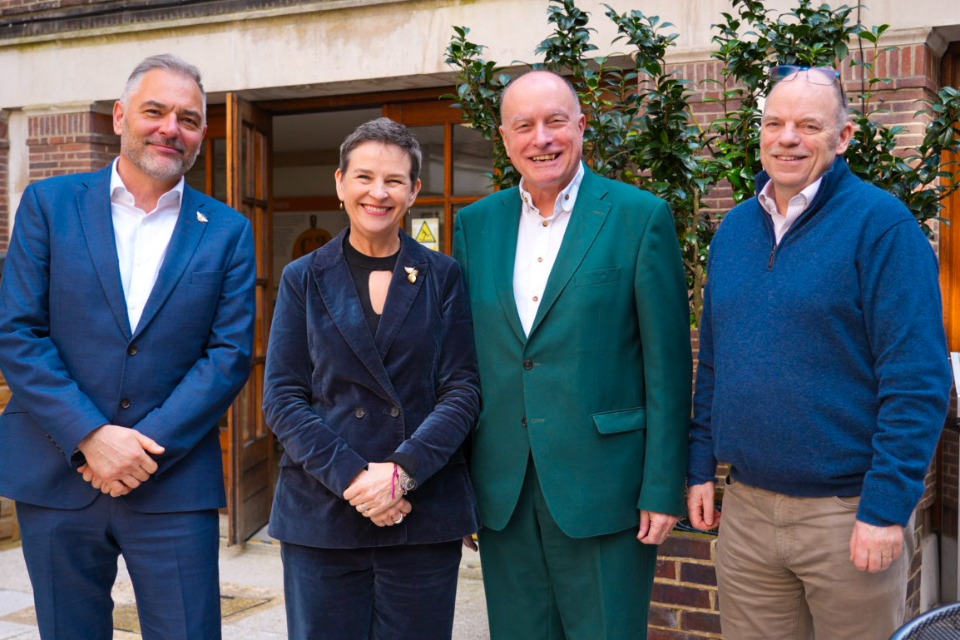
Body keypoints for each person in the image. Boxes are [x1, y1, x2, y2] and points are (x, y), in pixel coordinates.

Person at [687, 65, 952, 639]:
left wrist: (885, 509)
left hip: (846, 513)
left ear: (844, 137)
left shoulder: (882, 227)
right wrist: (700, 464)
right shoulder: (735, 230)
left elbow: (917, 381)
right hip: (749, 510)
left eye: (809, 125)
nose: (788, 138)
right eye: (775, 123)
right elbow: (714, 362)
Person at [0, 54, 256, 639]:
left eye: (188, 118)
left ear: (202, 135)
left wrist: (140, 451)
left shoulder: (227, 230)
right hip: (56, 472)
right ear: (120, 116)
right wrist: (90, 437)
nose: (172, 128)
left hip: (171, 480)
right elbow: (18, 332)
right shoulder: (48, 205)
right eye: (155, 111)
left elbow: (227, 356)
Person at [453, 70, 692, 639]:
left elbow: (667, 367)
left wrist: (662, 486)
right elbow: (461, 361)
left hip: (608, 490)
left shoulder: (639, 217)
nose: (542, 138)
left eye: (556, 121)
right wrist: (459, 482)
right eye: (525, 126)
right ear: (505, 138)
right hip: (503, 488)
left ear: (581, 126)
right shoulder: (475, 225)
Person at [262, 117, 481, 640]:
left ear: (413, 192)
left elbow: (462, 391)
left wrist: (400, 475)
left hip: (421, 511)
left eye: (394, 181)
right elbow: (283, 397)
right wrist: (357, 479)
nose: (377, 193)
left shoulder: (442, 275)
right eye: (363, 177)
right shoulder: (303, 277)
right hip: (323, 512)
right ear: (340, 184)